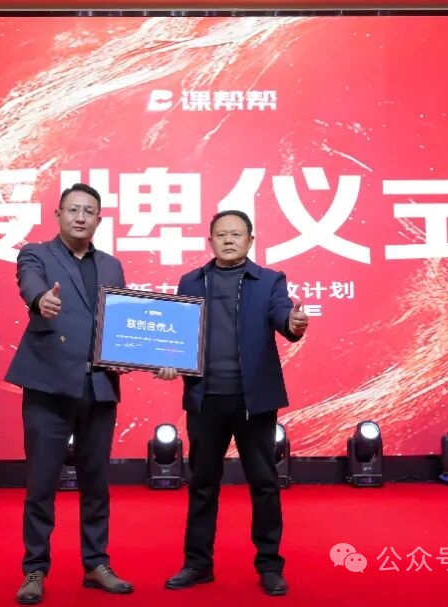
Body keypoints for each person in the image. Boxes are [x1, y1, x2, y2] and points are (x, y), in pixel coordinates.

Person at [155, 209, 308, 597]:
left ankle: (270, 565)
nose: (228, 240)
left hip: (253, 400)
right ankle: (198, 564)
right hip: (204, 398)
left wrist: (293, 323)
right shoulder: (191, 281)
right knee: (202, 483)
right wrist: (168, 360)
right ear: (210, 241)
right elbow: (177, 334)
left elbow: (282, 315)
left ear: (250, 241)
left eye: (236, 234)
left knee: (264, 482)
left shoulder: (270, 280)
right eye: (221, 234)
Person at [5, 183, 134, 605]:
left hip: (98, 386)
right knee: (41, 484)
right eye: (73, 209)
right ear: (58, 214)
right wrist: (40, 299)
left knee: (97, 484)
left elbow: (121, 323)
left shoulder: (112, 266)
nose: (80, 217)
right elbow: (30, 283)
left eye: (89, 211)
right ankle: (34, 569)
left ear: (99, 219)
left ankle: (96, 564)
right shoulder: (36, 254)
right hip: (49, 385)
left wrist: (129, 355)